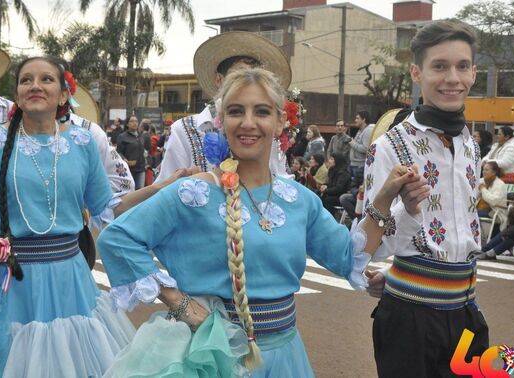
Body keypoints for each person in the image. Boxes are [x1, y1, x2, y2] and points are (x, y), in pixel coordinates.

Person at [97, 68, 427, 377]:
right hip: (210, 356)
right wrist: (181, 305)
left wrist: (384, 199)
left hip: (283, 357)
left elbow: (348, 258)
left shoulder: (300, 200)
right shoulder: (191, 192)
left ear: (281, 122)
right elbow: (118, 238)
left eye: (262, 112)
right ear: (221, 120)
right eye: (236, 111)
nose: (248, 123)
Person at [0, 56, 141, 377]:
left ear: (64, 94)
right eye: (26, 80)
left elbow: (109, 205)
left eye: (46, 79)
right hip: (10, 281)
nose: (35, 85)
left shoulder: (82, 143)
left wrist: (165, 186)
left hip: (71, 280)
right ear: (18, 94)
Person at [363, 21, 490, 377]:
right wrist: (409, 209)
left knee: (498, 370)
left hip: (467, 312)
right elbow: (371, 246)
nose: (453, 77)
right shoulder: (388, 147)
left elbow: (458, 232)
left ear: (474, 73)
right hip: (409, 320)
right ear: (417, 73)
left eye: (462, 66)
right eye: (439, 66)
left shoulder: (471, 145)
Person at [155, 31, 292, 183]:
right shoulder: (184, 130)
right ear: (219, 80)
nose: (247, 82)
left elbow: (280, 178)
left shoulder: (265, 130)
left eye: (253, 74)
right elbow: (164, 188)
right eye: (238, 75)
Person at [116, 115, 147, 189]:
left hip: (141, 168)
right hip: (129, 169)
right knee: (130, 191)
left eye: (136, 121)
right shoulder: (122, 137)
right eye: (132, 121)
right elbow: (118, 152)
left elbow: (145, 150)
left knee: (140, 190)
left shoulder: (141, 136)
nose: (135, 123)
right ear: (127, 124)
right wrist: (124, 159)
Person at [349, 110, 374, 189]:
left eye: (357, 118)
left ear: (364, 119)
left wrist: (353, 143)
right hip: (354, 164)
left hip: (360, 165)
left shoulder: (368, 131)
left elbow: (365, 148)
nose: (355, 120)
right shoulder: (360, 130)